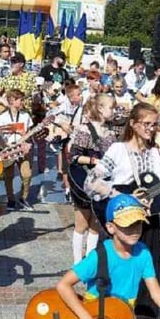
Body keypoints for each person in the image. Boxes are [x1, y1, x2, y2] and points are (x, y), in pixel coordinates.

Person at [84, 102, 160, 318]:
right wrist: (121, 196)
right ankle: (106, 314)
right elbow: (90, 181)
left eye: (154, 124)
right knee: (116, 268)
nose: (151, 128)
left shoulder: (158, 153)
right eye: (146, 124)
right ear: (133, 124)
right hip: (124, 216)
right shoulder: (118, 149)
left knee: (147, 270)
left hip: (149, 220)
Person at [68, 94, 117, 263]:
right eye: (111, 107)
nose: (114, 111)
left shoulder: (111, 132)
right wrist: (94, 160)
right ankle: (77, 261)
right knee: (82, 222)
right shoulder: (85, 129)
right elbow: (74, 156)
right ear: (100, 109)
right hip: (83, 179)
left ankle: (89, 259)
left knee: (96, 222)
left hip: (102, 182)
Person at [0, 89, 34, 211]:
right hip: (8, 148)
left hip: (22, 149)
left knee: (27, 174)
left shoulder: (25, 115)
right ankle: (11, 199)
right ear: (12, 101)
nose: (23, 102)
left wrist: (27, 143)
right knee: (8, 176)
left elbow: (29, 133)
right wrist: (6, 146)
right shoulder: (2, 117)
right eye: (20, 100)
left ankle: (23, 198)